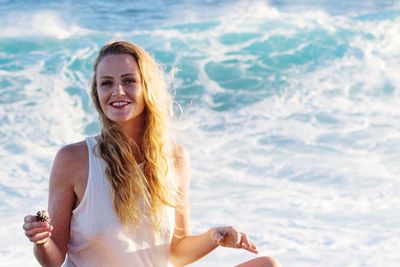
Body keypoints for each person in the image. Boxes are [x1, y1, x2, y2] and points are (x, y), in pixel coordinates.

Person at [23, 40, 280, 267]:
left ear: (147, 87)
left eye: (129, 80)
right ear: (96, 92)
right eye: (106, 83)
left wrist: (215, 237)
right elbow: (53, 259)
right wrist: (42, 240)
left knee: (267, 265)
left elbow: (177, 253)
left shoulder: (175, 157)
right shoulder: (73, 159)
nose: (118, 91)